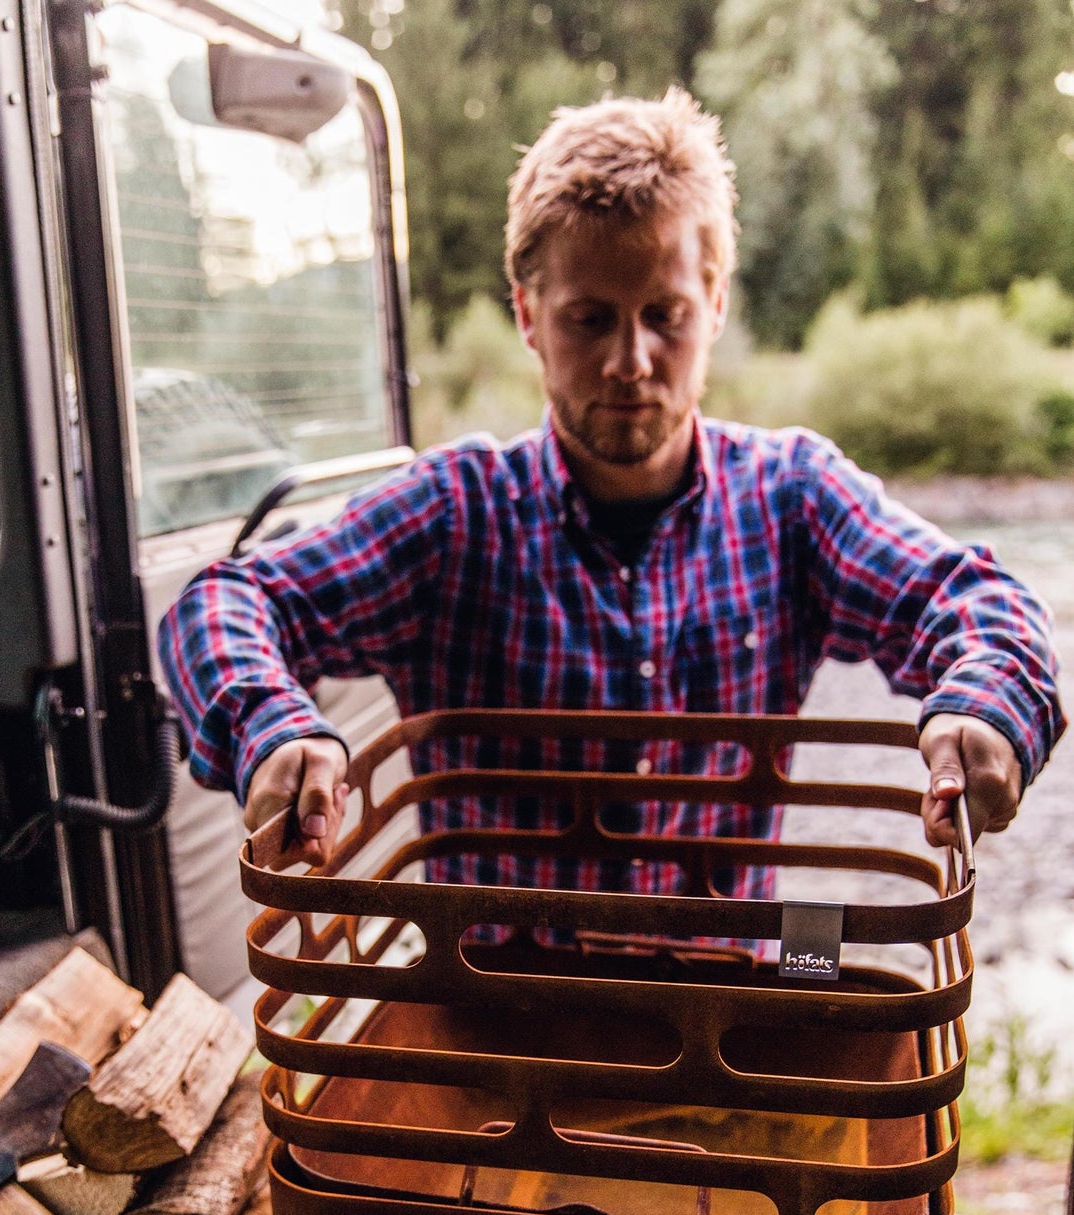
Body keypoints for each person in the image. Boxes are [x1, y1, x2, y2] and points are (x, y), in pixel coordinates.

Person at [158, 87, 1063, 894]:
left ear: (714, 303)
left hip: (738, 981)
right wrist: (272, 727)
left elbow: (978, 600)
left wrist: (985, 704)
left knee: (828, 963)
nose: (631, 361)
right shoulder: (453, 515)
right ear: (527, 314)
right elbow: (225, 600)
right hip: (499, 999)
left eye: (665, 316)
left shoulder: (793, 498)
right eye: (590, 319)